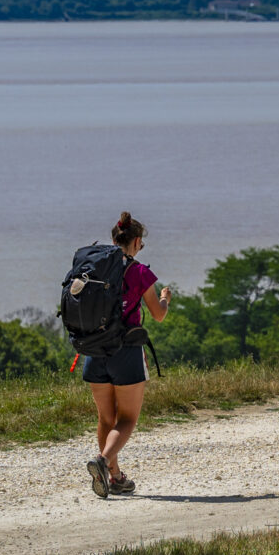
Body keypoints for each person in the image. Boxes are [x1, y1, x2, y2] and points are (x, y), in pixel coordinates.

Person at [84, 211, 166, 497]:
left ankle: (115, 478)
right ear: (137, 242)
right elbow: (157, 315)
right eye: (141, 245)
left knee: (107, 418)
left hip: (93, 351)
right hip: (126, 352)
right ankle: (103, 462)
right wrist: (165, 299)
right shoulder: (139, 272)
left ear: (113, 239)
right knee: (128, 419)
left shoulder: (93, 269)